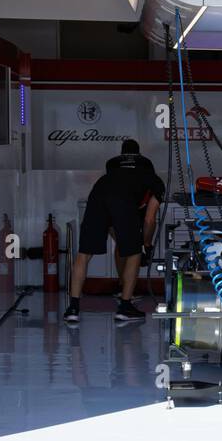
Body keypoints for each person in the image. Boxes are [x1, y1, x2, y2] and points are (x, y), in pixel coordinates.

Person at [65, 138, 164, 325]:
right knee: (134, 253)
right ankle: (125, 307)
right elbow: (150, 219)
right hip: (123, 201)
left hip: (98, 193)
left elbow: (113, 226)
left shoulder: (111, 174)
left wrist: (124, 240)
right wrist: (147, 246)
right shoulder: (154, 181)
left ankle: (73, 308)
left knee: (84, 253)